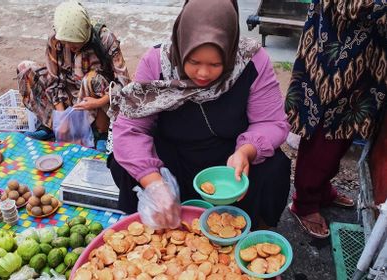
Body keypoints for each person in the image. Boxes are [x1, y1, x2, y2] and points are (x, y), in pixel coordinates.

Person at [107, 0, 291, 229]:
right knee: (121, 162)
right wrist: (153, 182)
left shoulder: (251, 61)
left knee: (275, 167)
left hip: (228, 162)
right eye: (193, 62)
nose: (203, 73)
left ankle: (252, 232)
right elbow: (129, 129)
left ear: (231, 50)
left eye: (216, 64)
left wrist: (246, 151)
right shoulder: (157, 62)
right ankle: (153, 225)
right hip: (172, 159)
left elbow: (271, 122)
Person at [285, 0, 386, 238]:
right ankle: (304, 202)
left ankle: (320, 188)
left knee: (345, 131)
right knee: (323, 134)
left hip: (363, 59)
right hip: (335, 55)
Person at [17, 1, 130, 151]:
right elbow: (53, 81)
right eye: (66, 43)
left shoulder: (106, 39)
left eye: (75, 44)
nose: (70, 47)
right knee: (25, 69)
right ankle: (51, 126)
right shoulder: (55, 39)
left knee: (92, 78)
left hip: (94, 96)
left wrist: (98, 102)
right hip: (68, 95)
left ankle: (101, 132)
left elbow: (125, 84)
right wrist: (61, 116)